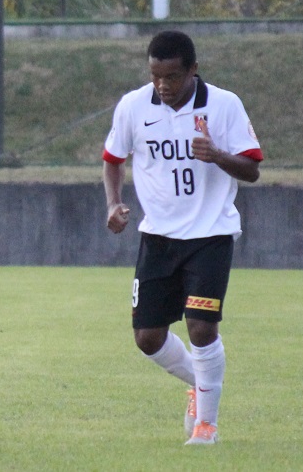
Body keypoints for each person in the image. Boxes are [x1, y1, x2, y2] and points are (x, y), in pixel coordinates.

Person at [102, 30, 263, 445]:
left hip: (210, 234)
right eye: (155, 76)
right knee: (147, 338)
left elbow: (252, 170)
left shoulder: (224, 105)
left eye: (171, 76)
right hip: (158, 238)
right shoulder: (133, 106)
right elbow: (113, 160)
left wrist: (217, 155)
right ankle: (201, 383)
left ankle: (206, 426)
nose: (163, 85)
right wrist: (114, 203)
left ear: (193, 70)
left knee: (201, 327)